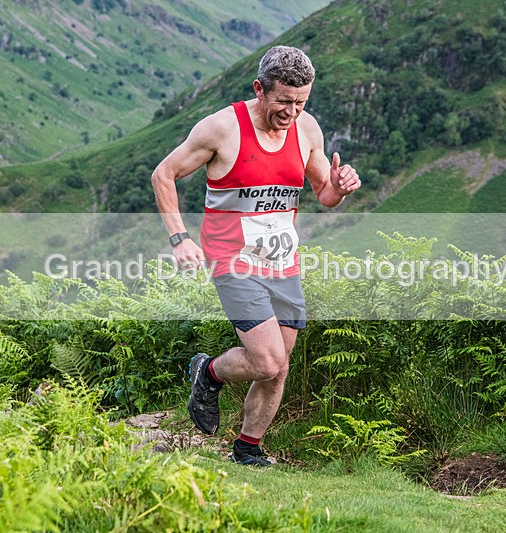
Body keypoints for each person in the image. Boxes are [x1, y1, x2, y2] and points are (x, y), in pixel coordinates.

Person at [152, 45, 361, 466]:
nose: (292, 112)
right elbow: (164, 173)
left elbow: (324, 194)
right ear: (259, 89)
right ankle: (208, 372)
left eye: (301, 102)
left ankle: (248, 450)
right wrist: (180, 238)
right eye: (283, 101)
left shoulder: (307, 130)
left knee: (279, 367)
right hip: (232, 258)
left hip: (283, 261)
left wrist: (340, 187)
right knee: (266, 361)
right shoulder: (221, 128)